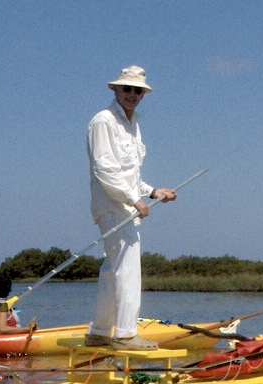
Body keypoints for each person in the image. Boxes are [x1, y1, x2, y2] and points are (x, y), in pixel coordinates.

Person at [84, 65, 177, 351]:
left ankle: (99, 331)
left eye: (138, 91)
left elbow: (129, 173)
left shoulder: (133, 124)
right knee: (128, 267)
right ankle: (125, 334)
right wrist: (133, 199)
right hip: (113, 206)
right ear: (115, 89)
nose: (132, 95)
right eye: (127, 89)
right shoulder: (103, 120)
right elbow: (105, 168)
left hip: (126, 206)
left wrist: (150, 191)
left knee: (113, 269)